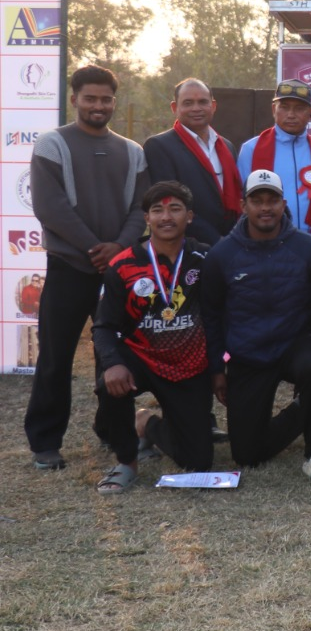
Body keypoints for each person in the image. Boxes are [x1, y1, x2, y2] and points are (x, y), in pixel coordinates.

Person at [24, 66, 149, 471]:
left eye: (105, 99)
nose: (98, 105)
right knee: (56, 357)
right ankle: (46, 442)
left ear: (114, 101)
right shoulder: (52, 144)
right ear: (74, 98)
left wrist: (118, 249)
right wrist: (96, 249)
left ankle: (113, 431)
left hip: (117, 272)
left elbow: (141, 209)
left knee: (114, 356)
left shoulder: (132, 151)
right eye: (90, 98)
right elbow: (50, 208)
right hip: (69, 267)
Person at [201, 170, 311, 483]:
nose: (265, 207)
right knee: (247, 455)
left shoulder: (310, 250)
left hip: (296, 345)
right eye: (257, 200)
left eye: (272, 200)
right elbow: (211, 316)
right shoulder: (221, 254)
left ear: (283, 204)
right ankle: (305, 407)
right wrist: (217, 368)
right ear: (243, 205)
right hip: (248, 353)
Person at [91, 182, 215, 491]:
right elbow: (103, 327)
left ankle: (146, 423)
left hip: (188, 363)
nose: (166, 217)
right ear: (147, 218)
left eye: (175, 209)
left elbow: (219, 316)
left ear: (190, 216)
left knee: (197, 461)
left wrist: (219, 366)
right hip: (141, 357)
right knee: (111, 382)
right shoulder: (123, 265)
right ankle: (126, 462)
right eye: (157, 210)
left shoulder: (205, 258)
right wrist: (112, 363)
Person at [237, 78, 311, 248]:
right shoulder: (251, 149)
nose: (291, 114)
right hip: (264, 245)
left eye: (299, 108)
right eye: (284, 107)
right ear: (273, 109)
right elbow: (242, 201)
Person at [142, 78, 240, 243]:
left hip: (230, 242)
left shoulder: (226, 146)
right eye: (188, 103)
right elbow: (170, 204)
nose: (196, 108)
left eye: (202, 102)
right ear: (175, 107)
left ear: (213, 106)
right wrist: (218, 242)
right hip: (184, 245)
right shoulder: (159, 146)